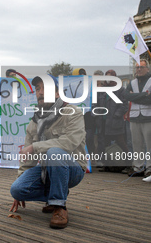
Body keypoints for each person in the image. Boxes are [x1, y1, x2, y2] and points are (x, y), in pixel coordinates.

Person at [9, 74, 87, 229]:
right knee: (16, 189)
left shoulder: (73, 112)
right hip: (47, 170)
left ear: (57, 93)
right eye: (38, 88)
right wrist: (20, 184)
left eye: (46, 88)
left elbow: (69, 142)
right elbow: (28, 159)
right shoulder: (34, 121)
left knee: (54, 152)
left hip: (74, 169)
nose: (41, 92)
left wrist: (36, 147)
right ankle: (55, 195)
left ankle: (59, 206)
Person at [94, 70, 129, 172]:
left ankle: (128, 164)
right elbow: (96, 102)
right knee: (104, 144)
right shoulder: (101, 89)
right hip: (103, 122)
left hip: (115, 122)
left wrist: (116, 115)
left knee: (121, 143)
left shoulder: (120, 90)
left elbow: (124, 105)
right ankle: (107, 164)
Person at [124, 59, 151, 177]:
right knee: (137, 144)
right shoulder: (132, 82)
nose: (139, 69)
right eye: (137, 67)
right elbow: (126, 96)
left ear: (147, 69)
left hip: (148, 117)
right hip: (134, 117)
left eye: (141, 67)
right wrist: (144, 94)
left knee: (149, 144)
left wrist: (134, 96)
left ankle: (149, 168)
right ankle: (138, 167)